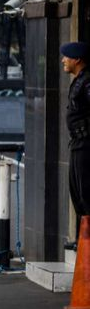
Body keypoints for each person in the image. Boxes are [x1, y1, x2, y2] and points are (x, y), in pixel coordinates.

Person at [61, 42, 90, 251]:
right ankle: (83, 239)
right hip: (78, 143)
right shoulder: (79, 80)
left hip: (86, 144)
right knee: (77, 193)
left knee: (86, 193)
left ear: (77, 59)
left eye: (67, 56)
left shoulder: (87, 82)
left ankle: (86, 241)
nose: (63, 60)